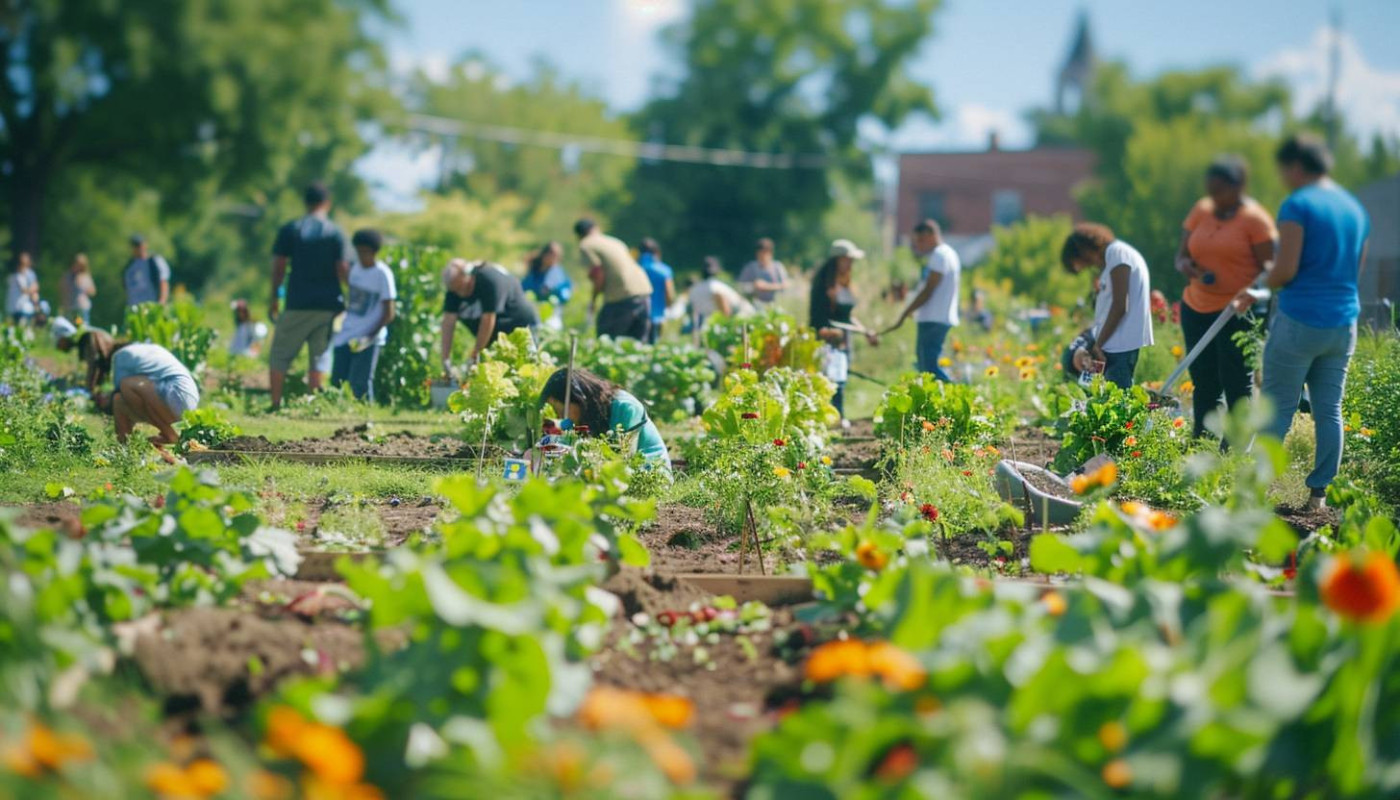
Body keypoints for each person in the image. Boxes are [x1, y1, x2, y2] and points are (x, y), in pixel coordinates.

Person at [1249, 134, 1369, 510]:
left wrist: (1262, 281)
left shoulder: (1298, 204)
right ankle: (1319, 496)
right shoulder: (1354, 209)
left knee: (1278, 408)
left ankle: (1255, 493)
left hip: (1300, 319)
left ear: (1296, 167)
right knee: (1329, 410)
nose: (1284, 178)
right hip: (1343, 322)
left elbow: (1285, 271)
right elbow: (1355, 271)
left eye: (1284, 170)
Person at [1173, 155, 1278, 440]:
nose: (1214, 199)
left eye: (1219, 191)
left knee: (1236, 382)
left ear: (1239, 186)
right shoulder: (1202, 210)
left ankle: (1236, 447)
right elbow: (1181, 256)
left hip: (1238, 311)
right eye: (1210, 191)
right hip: (1196, 306)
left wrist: (1253, 292)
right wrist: (1186, 266)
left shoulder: (1255, 220)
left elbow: (1271, 269)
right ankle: (1203, 442)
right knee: (1204, 380)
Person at [267, 182, 353, 411]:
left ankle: (275, 403)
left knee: (280, 354)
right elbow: (342, 268)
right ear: (327, 203)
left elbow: (279, 266)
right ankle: (312, 405)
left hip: (297, 302)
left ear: (305, 202)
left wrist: (274, 298)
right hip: (328, 305)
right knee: (319, 355)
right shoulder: (335, 232)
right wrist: (353, 297)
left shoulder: (291, 229)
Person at [1061, 223, 1154, 390]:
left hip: (1120, 343)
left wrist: (1098, 344)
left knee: (1118, 398)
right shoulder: (1112, 258)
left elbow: (1120, 305)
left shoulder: (1117, 253)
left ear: (1083, 250)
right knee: (1102, 394)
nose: (1089, 266)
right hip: (1113, 341)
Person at [539, 367, 669, 467]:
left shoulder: (626, 408)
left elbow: (625, 460)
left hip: (648, 475)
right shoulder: (587, 414)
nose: (562, 417)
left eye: (562, 411)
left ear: (579, 399)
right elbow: (562, 437)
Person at [810, 240, 879, 422]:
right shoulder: (824, 285)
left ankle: (837, 418)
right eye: (848, 259)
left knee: (840, 379)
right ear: (838, 260)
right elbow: (818, 317)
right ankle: (835, 418)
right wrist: (826, 332)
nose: (851, 263)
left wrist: (865, 331)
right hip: (829, 340)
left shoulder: (845, 283)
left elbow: (848, 316)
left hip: (844, 340)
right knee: (832, 381)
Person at [92, 341, 199, 457]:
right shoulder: (151, 348)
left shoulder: (120, 355)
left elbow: (120, 388)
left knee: (126, 385)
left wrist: (104, 400)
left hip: (175, 392)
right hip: (188, 398)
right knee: (119, 401)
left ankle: (170, 434)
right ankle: (125, 450)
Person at [885, 219, 960, 382]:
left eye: (920, 240)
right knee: (927, 365)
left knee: (929, 368)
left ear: (931, 235)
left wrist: (906, 312)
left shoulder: (939, 255)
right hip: (938, 317)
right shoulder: (948, 253)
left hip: (933, 318)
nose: (917, 245)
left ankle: (955, 393)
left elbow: (928, 290)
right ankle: (945, 394)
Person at [439, 258, 539, 375]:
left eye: (463, 287)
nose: (461, 294)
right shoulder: (455, 289)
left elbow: (488, 320)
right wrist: (445, 359)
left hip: (521, 326)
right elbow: (448, 323)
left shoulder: (489, 280)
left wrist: (475, 354)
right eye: (457, 290)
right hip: (494, 337)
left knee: (524, 371)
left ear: (469, 274)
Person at [330, 229, 397, 402]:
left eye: (365, 252)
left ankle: (364, 415)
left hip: (369, 336)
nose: (362, 256)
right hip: (347, 333)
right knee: (337, 380)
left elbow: (389, 312)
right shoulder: (355, 269)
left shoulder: (382, 274)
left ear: (374, 252)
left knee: (360, 384)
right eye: (359, 251)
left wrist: (370, 335)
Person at [574, 219, 653, 341]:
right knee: (637, 345)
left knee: (606, 340)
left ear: (579, 235)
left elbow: (598, 273)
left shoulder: (586, 245)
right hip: (644, 292)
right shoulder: (614, 241)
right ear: (596, 228)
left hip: (621, 295)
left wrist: (593, 300)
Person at [688, 257, 753, 330]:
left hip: (713, 320)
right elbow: (726, 311)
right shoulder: (715, 286)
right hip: (740, 316)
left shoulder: (695, 289)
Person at [521, 241, 572, 329]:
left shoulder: (557, 271)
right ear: (545, 255)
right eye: (553, 256)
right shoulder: (535, 271)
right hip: (533, 310)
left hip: (552, 312)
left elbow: (565, 292)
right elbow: (525, 288)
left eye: (557, 257)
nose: (554, 260)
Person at [638, 238, 676, 344]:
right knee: (653, 346)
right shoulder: (664, 270)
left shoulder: (636, 267)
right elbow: (669, 294)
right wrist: (669, 307)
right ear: (657, 252)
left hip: (636, 315)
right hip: (656, 316)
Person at [738, 237, 789, 307]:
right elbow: (740, 286)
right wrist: (753, 286)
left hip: (775, 304)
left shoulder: (778, 267)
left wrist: (767, 286)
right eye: (760, 254)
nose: (762, 256)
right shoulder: (750, 267)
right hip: (754, 304)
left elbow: (785, 285)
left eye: (764, 253)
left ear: (771, 253)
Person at [122, 235, 171, 307]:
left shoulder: (155, 261)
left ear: (145, 245)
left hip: (153, 305)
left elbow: (163, 282)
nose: (138, 248)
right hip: (135, 307)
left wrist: (162, 301)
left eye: (139, 245)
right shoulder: (129, 267)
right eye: (135, 246)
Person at [5, 252, 39, 326]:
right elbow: (24, 290)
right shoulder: (17, 276)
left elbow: (35, 286)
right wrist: (32, 292)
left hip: (21, 307)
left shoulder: (26, 275)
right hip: (17, 308)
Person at [62, 254, 97, 325]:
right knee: (70, 326)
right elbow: (63, 289)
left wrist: (84, 289)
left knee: (83, 326)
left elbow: (93, 291)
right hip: (70, 307)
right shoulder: (68, 276)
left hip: (82, 307)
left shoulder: (86, 276)